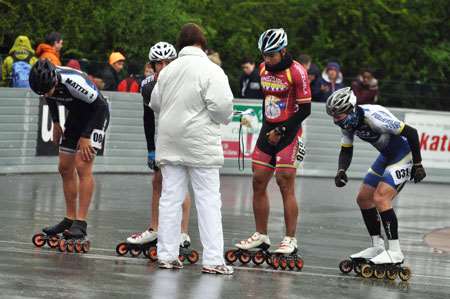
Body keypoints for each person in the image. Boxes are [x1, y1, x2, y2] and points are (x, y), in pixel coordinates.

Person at [150, 23, 234, 274]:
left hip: (169, 141)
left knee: (170, 199)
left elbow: (155, 103)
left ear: (180, 45)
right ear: (203, 44)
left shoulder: (167, 70)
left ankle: (166, 255)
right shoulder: (212, 70)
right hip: (200, 144)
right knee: (208, 200)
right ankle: (213, 260)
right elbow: (221, 108)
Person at [326, 88, 426, 277]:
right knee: (363, 199)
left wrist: (418, 164)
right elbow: (346, 149)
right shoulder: (347, 123)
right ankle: (378, 246)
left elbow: (412, 133)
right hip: (387, 155)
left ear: (351, 108)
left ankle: (395, 251)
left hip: (404, 154)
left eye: (338, 115)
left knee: (381, 197)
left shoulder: (374, 117)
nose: (336, 120)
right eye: (333, 116)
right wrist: (341, 170)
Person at [234, 28, 311, 266]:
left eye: (271, 55)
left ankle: (290, 238)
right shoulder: (262, 69)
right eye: (264, 55)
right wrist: (266, 126)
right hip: (268, 129)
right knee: (258, 180)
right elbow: (267, 100)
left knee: (284, 182)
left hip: (290, 132)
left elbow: (305, 110)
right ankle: (261, 236)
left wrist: (282, 130)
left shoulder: (297, 72)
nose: (267, 60)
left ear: (283, 51)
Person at [29, 59, 109, 251]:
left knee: (83, 165)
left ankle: (80, 223)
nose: (47, 93)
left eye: (48, 89)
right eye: (42, 91)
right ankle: (69, 218)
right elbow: (48, 97)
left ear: (55, 80)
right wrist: (56, 122)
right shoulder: (46, 84)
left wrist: (86, 136)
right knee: (64, 167)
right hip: (76, 116)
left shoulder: (72, 81)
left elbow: (101, 107)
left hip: (96, 116)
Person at [123, 42, 194, 258]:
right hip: (165, 134)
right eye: (159, 63)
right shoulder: (147, 85)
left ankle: (182, 232)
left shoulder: (185, 82)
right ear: (152, 66)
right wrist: (151, 149)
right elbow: (148, 119)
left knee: (179, 181)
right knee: (157, 181)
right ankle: (155, 229)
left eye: (168, 63)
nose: (163, 67)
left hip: (185, 133)